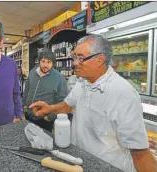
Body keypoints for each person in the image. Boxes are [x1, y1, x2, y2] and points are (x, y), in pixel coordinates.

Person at [29, 35, 157, 172]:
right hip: (77, 160)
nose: (75, 63)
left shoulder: (124, 94)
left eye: (81, 58)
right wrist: (50, 108)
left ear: (100, 60)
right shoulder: (82, 82)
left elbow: (140, 154)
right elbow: (67, 105)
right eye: (74, 57)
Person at [23, 48, 68, 132]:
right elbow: (27, 90)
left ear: (53, 63)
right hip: (28, 115)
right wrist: (24, 105)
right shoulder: (32, 72)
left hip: (44, 119)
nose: (45, 65)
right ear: (39, 61)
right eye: (43, 61)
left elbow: (62, 102)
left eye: (49, 62)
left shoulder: (59, 78)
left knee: (43, 144)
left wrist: (50, 117)